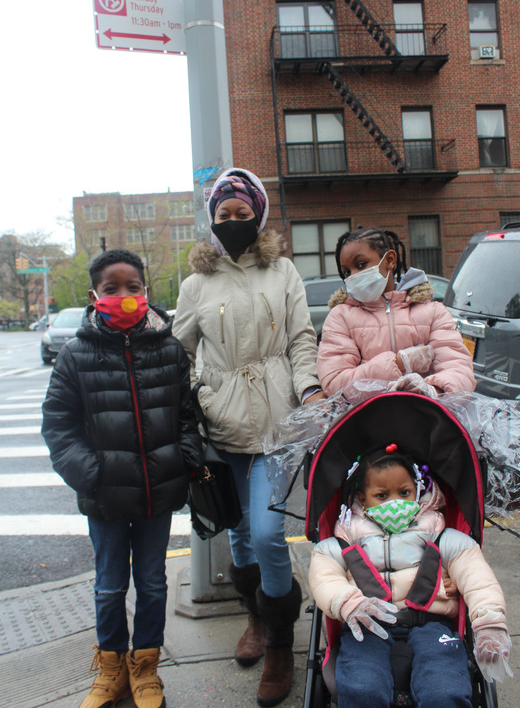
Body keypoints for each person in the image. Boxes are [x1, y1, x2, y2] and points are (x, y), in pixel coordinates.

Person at [173, 167, 324, 707]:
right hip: (221, 423)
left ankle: (280, 645)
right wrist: (199, 392)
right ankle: (257, 620)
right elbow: (180, 350)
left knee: (265, 534)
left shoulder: (282, 271)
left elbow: (302, 337)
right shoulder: (195, 284)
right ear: (212, 220)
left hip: (278, 420)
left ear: (257, 215)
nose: (233, 221)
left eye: (243, 213)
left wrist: (308, 389)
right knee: (236, 532)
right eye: (223, 214)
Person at [41, 249, 203, 708]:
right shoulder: (76, 355)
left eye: (133, 287)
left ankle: (146, 668)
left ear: (146, 292)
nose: (124, 297)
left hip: (157, 493)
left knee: (152, 582)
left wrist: (183, 459)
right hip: (105, 497)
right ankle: (111, 668)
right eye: (112, 289)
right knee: (109, 585)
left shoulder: (169, 349)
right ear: (95, 297)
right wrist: (90, 475)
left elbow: (187, 416)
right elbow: (58, 425)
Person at [309, 446, 512, 708]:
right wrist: (348, 600)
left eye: (404, 493)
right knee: (361, 688)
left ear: (417, 490)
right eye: (382, 495)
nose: (395, 502)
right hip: (368, 623)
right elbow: (324, 576)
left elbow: (477, 576)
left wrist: (489, 623)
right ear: (362, 497)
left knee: (445, 691)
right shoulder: (344, 539)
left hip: (432, 623)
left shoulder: (439, 533)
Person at [317, 226, 476, 398]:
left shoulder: (433, 312)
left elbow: (459, 369)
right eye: (347, 272)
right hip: (368, 422)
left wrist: (432, 391)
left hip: (427, 419)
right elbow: (334, 383)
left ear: (390, 260)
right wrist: (398, 364)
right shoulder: (340, 317)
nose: (353, 276)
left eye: (361, 265)